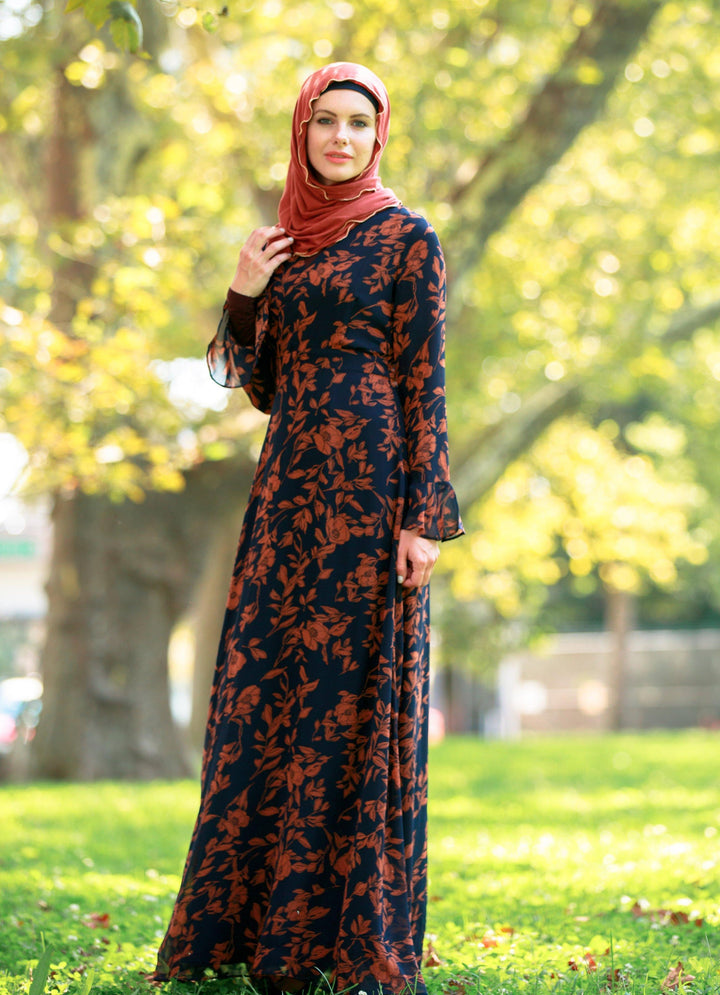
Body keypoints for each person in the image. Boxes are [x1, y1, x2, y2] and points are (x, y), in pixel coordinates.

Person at [151, 62, 463, 995]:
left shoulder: (408, 238)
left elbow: (426, 381)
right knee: (273, 690)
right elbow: (259, 384)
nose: (339, 137)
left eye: (357, 123)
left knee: (353, 696)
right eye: (324, 121)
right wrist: (246, 293)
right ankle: (260, 929)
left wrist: (425, 518)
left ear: (378, 137)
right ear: (303, 132)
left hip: (373, 491)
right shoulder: (284, 243)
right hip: (287, 491)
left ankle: (351, 935)